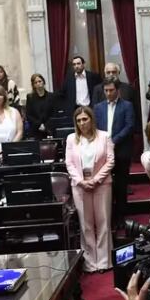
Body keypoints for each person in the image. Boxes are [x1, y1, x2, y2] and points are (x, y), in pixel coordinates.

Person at [65, 106, 114, 272]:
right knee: (86, 225)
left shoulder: (104, 136)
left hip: (101, 184)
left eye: (85, 119)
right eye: (78, 121)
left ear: (91, 119)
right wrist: (80, 181)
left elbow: (110, 161)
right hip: (80, 186)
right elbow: (69, 163)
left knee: (103, 222)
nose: (82, 123)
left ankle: (104, 262)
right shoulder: (71, 139)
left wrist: (96, 179)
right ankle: (91, 263)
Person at [94, 78, 134, 227]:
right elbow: (96, 126)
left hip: (121, 150)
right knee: (106, 184)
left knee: (121, 185)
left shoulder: (127, 106)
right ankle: (109, 216)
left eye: (111, 90)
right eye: (106, 91)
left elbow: (129, 126)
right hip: (103, 151)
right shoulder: (98, 107)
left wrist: (113, 140)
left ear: (118, 90)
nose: (108, 93)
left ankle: (121, 217)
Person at [25, 73, 54, 139]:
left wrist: (46, 126)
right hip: (35, 129)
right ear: (33, 85)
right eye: (36, 82)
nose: (38, 84)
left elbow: (53, 113)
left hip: (49, 129)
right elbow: (29, 115)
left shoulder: (51, 96)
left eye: (40, 81)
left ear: (43, 82)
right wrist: (39, 125)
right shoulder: (30, 97)